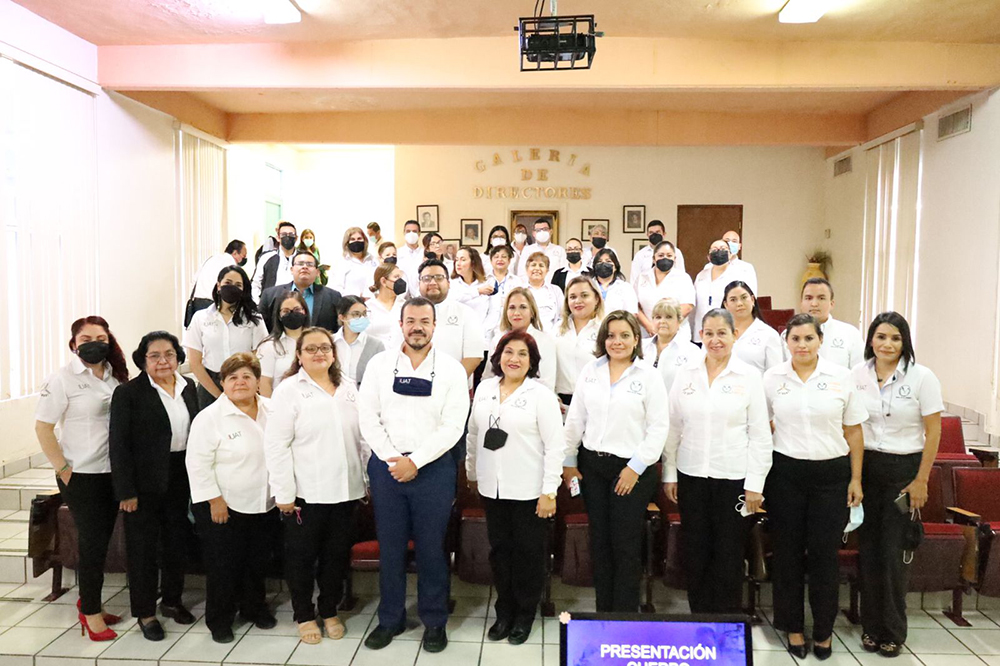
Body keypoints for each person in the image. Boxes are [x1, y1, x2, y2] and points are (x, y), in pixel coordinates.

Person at [359, 297, 471, 654]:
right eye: (411, 320)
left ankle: (434, 621)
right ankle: (390, 619)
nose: (417, 326)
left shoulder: (452, 370)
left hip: (433, 468)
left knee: (431, 550)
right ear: (401, 324)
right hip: (387, 466)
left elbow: (453, 426)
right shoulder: (379, 365)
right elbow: (368, 417)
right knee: (390, 548)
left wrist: (416, 461)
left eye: (424, 320)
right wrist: (394, 459)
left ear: (435, 326)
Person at [763, 313, 867, 660]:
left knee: (824, 557)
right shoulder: (772, 378)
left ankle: (823, 631)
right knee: (788, 555)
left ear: (820, 340)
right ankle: (792, 628)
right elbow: (761, 427)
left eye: (809, 338)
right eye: (795, 339)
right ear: (786, 342)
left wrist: (855, 478)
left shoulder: (841, 377)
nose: (802, 345)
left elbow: (853, 431)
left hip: (831, 475)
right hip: (786, 474)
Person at [663, 309, 772, 614]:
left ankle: (726, 624)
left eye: (722, 333)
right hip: (692, 475)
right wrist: (670, 473)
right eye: (708, 333)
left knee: (728, 554)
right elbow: (673, 427)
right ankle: (699, 618)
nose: (715, 340)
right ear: (700, 337)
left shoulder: (749, 376)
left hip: (733, 478)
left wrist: (755, 484)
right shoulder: (686, 373)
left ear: (735, 335)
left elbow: (760, 435)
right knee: (696, 552)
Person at [264, 328, 368, 645]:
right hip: (304, 494)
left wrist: (364, 481)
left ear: (334, 353)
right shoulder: (288, 391)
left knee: (335, 557)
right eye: (311, 349)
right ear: (299, 355)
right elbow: (276, 445)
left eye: (325, 347)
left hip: (345, 491)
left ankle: (329, 609)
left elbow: (362, 441)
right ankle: (304, 614)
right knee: (301, 559)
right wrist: (283, 493)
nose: (319, 353)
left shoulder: (348, 388)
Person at [562, 311, 670, 612]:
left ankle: (624, 616)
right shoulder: (590, 371)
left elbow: (659, 428)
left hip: (633, 470)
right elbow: (575, 419)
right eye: (611, 335)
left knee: (625, 545)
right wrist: (569, 462)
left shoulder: (648, 375)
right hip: (593, 467)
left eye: (625, 335)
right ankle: (603, 612)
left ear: (636, 339)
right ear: (603, 339)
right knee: (600, 542)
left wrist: (634, 468)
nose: (617, 341)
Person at [853, 312, 943, 658]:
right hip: (867, 467)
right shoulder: (857, 375)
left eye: (895, 338)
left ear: (904, 342)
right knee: (869, 553)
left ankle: (892, 631)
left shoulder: (922, 378)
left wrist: (921, 479)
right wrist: (855, 477)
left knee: (893, 555)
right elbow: (852, 425)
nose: (887, 344)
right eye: (880, 337)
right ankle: (871, 628)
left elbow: (933, 432)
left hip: (904, 470)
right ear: (871, 340)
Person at [35, 316, 130, 641]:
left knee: (102, 543)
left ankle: (92, 602)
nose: (94, 342)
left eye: (101, 337)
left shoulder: (114, 377)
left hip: (111, 473)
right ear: (74, 344)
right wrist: (63, 468)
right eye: (86, 337)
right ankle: (89, 612)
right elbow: (43, 427)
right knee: (91, 544)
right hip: (82, 475)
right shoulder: (62, 379)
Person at [466, 330, 563, 644]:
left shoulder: (541, 395)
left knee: (528, 555)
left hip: (529, 491)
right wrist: (471, 472)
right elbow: (473, 435)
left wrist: (549, 491)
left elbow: (555, 446)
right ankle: (504, 611)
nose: (514, 359)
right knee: (500, 553)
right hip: (492, 487)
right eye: (509, 352)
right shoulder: (484, 389)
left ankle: (524, 614)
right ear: (498, 357)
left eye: (522, 354)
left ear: (532, 361)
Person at [109, 331, 200, 641]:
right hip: (143, 482)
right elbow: (118, 446)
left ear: (178, 357)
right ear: (142, 359)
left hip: (180, 475)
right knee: (143, 550)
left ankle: (172, 601)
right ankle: (146, 613)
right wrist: (126, 492)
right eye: (155, 355)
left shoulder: (189, 387)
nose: (163, 361)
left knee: (176, 542)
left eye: (169, 354)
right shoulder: (129, 393)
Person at [186, 353, 278, 643]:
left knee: (256, 562)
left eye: (247, 377)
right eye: (233, 377)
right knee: (224, 566)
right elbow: (197, 464)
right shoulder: (210, 418)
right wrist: (214, 500)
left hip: (265, 502)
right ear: (223, 383)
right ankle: (220, 619)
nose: (240, 382)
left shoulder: (272, 410)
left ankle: (254, 608)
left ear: (257, 382)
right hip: (224, 506)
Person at [184, 265, 267, 408]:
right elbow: (195, 362)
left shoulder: (254, 319)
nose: (232, 288)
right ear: (218, 286)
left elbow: (260, 356)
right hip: (209, 385)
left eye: (238, 285)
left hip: (243, 384)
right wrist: (220, 395)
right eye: (227, 283)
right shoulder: (201, 318)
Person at [389, 259, 486, 379]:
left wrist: (449, 384)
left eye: (439, 277)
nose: (433, 282)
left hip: (453, 387)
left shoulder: (466, 313)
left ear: (449, 283)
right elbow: (396, 351)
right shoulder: (403, 312)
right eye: (427, 278)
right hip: (411, 385)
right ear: (419, 284)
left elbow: (473, 356)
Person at [484, 288, 557, 391]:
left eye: (523, 307)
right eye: (512, 307)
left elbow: (547, 383)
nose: (516, 313)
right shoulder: (497, 340)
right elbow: (488, 378)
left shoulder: (545, 341)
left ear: (532, 312)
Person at [258, 251, 343, 334]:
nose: (305, 267)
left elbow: (338, 329)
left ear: (317, 272)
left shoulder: (333, 297)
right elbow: (262, 328)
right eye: (300, 264)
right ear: (291, 269)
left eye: (310, 264)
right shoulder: (270, 295)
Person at [692, 239, 759, 343]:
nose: (719, 251)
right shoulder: (701, 275)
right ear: (708, 256)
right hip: (701, 332)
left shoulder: (737, 274)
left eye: (723, 249)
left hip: (726, 332)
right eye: (714, 249)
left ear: (730, 254)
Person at [554, 276, 604, 406]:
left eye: (584, 295)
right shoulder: (556, 329)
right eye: (572, 297)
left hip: (594, 403)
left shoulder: (605, 330)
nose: (578, 301)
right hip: (561, 404)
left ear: (597, 299)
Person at [634, 240, 695, 340]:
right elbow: (635, 306)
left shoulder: (683, 278)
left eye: (669, 255)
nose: (665, 258)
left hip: (676, 333)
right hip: (648, 332)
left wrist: (664, 325)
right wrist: (649, 326)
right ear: (654, 259)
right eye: (661, 255)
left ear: (675, 259)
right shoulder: (642, 277)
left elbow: (687, 306)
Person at [798, 278, 864, 368]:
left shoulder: (850, 333)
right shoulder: (788, 335)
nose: (814, 304)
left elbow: (860, 373)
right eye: (808, 298)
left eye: (821, 298)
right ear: (801, 303)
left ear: (832, 304)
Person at [642, 299, 704, 394]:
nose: (662, 321)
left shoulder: (692, 351)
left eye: (668, 317)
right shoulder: (641, 347)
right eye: (658, 317)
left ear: (679, 321)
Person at [256, 292, 309, 397]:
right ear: (279, 316)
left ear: (305, 312)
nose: (292, 313)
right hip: (282, 405)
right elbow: (264, 383)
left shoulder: (316, 341)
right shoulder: (269, 345)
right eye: (286, 311)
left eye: (297, 310)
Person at [724, 281, 783, 373]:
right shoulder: (718, 334)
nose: (739, 303)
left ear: (752, 300)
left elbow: (775, 375)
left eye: (744, 298)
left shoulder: (769, 334)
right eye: (733, 300)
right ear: (726, 305)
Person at [189, 240, 248, 320]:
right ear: (235, 253)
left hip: (197, 302)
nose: (244, 259)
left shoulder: (210, 259)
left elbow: (194, 280)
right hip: (213, 304)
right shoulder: (230, 263)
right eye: (243, 256)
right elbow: (230, 288)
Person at [334, 296, 386, 386]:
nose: (362, 318)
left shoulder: (376, 345)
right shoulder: (330, 342)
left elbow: (381, 377)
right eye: (356, 314)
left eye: (364, 314)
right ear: (342, 317)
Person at [484, 244, 524, 342]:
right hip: (487, 326)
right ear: (491, 261)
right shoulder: (484, 281)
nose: (500, 259)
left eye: (504, 257)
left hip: (510, 326)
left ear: (509, 261)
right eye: (496, 257)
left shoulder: (517, 282)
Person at [252, 221, 299, 302]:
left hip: (297, 304)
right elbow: (256, 283)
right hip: (271, 305)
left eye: (291, 234)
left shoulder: (302, 258)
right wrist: (257, 304)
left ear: (296, 238)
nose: (287, 237)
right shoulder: (266, 257)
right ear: (278, 237)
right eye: (283, 235)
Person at [630, 220, 686, 285]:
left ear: (664, 234)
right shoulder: (640, 255)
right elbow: (634, 279)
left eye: (657, 232)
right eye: (651, 232)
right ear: (647, 235)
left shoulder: (675, 252)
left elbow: (681, 275)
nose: (654, 235)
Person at [331, 227, 379, 297]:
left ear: (364, 240)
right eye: (352, 239)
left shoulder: (373, 259)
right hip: (351, 304)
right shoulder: (341, 263)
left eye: (359, 238)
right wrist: (357, 296)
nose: (356, 241)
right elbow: (336, 290)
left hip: (373, 303)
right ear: (347, 243)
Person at [450, 246, 492, 324]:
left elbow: (492, 312)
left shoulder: (486, 283)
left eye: (463, 260)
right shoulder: (451, 284)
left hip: (482, 330)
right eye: (456, 260)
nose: (458, 263)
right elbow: (454, 299)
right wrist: (477, 291)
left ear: (473, 263)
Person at [523, 252, 564, 332]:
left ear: (547, 270)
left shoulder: (556, 290)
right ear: (527, 269)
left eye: (541, 265)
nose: (537, 269)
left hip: (551, 337)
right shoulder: (520, 291)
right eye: (533, 265)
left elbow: (562, 316)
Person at [592, 248, 639, 315]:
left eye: (608, 261)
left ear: (615, 267)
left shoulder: (626, 288)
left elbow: (632, 314)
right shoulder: (587, 286)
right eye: (599, 261)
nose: (603, 264)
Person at [368, 263, 407, 342]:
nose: (401, 281)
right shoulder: (368, 307)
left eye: (401, 277)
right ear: (384, 281)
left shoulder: (405, 306)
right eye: (396, 277)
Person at [397, 220, 425, 297]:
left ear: (419, 233)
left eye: (414, 231)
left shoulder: (425, 254)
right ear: (404, 233)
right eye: (408, 231)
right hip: (401, 296)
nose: (411, 234)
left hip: (421, 295)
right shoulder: (397, 253)